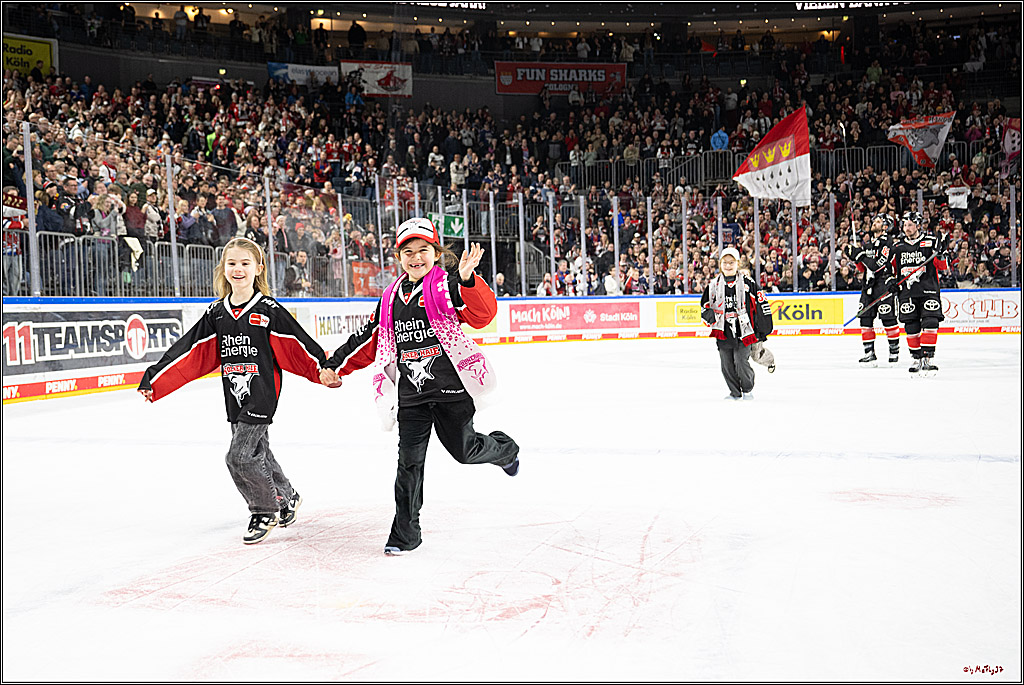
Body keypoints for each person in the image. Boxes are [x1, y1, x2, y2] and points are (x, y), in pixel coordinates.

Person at [320, 218, 519, 556]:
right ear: (399, 257)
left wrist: (469, 280)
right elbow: (368, 338)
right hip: (411, 396)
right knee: (409, 464)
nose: (416, 258)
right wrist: (334, 363)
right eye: (408, 252)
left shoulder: (448, 286)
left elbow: (483, 315)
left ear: (435, 252)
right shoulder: (389, 298)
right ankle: (405, 534)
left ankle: (505, 449)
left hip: (451, 391)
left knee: (464, 451)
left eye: (423, 250)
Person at [138, 237, 331, 544]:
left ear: (258, 268)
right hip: (235, 394)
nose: (238, 269)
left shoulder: (268, 309)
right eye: (232, 263)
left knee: (239, 456)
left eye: (245, 263)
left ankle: (264, 510)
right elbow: (189, 350)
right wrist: (156, 379)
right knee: (259, 452)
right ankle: (288, 496)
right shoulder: (216, 312)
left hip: (263, 394)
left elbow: (298, 343)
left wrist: (323, 367)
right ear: (223, 269)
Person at [700, 247, 774, 400]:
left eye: (731, 262)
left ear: (738, 263)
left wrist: (763, 330)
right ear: (720, 264)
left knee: (741, 361)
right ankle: (735, 392)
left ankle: (747, 389)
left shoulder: (748, 283)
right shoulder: (713, 285)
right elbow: (704, 307)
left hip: (745, 331)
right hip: (723, 331)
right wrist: (710, 315)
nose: (728, 265)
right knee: (726, 364)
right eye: (725, 262)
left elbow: (762, 304)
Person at [888, 210, 948, 375]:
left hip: (928, 290)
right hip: (907, 293)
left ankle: (928, 358)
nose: (906, 228)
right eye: (905, 225)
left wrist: (941, 254)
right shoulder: (897, 247)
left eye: (910, 224)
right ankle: (916, 358)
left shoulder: (931, 242)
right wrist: (891, 282)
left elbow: (942, 267)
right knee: (911, 326)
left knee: (930, 322)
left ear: (918, 225)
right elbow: (890, 270)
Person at [844, 213, 901, 366]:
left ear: (885, 226)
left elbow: (877, 266)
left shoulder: (888, 242)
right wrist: (854, 256)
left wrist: (861, 255)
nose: (873, 223)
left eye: (877, 221)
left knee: (888, 318)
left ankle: (894, 351)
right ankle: (869, 353)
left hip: (883, 283)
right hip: (868, 285)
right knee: (865, 318)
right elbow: (864, 268)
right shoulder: (869, 244)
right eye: (874, 220)